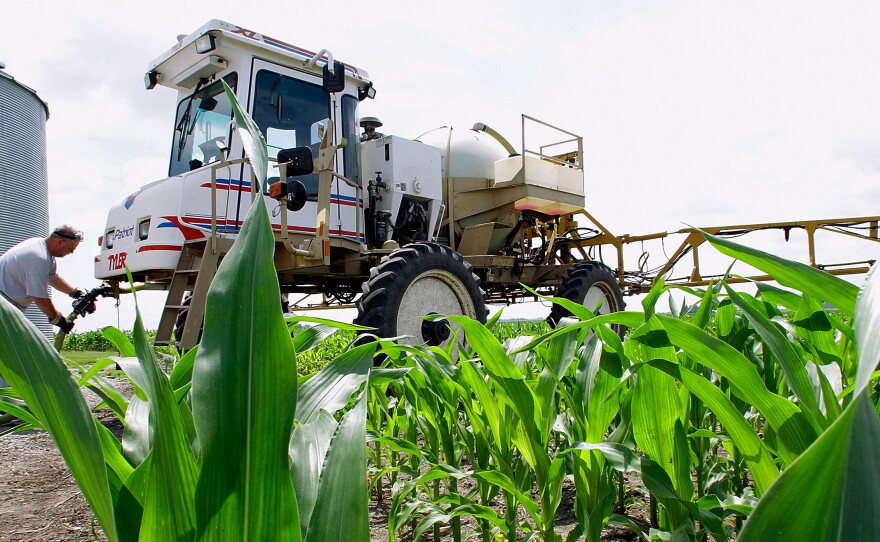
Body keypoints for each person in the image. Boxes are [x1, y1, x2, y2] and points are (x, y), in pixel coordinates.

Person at [0, 225, 86, 333]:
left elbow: (53, 278)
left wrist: (76, 293)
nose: (71, 252)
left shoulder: (41, 247)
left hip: (7, 304)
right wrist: (59, 320)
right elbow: (40, 298)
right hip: (3, 304)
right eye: (70, 249)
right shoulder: (39, 258)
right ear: (60, 242)